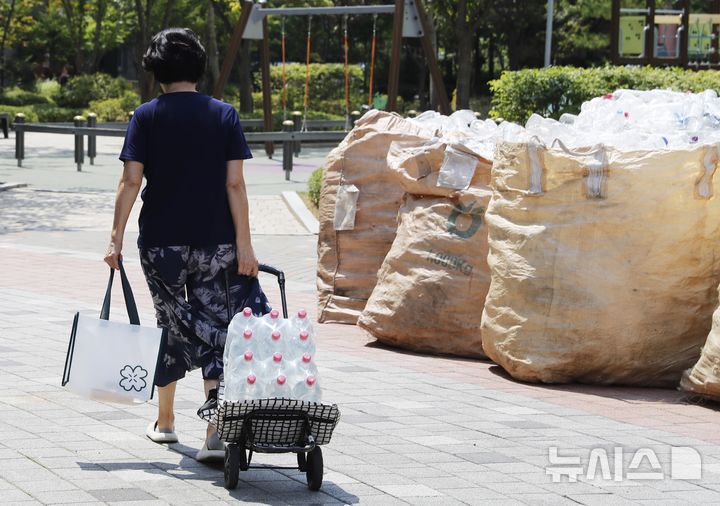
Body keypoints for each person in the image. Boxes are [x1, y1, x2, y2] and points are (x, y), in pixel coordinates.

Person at [104, 27, 269, 462]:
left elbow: (131, 181)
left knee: (170, 323)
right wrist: (245, 246)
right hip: (218, 242)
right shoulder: (224, 115)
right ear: (200, 67)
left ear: (156, 72)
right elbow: (235, 184)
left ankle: (166, 422)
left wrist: (115, 236)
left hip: (161, 244)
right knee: (219, 325)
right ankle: (215, 434)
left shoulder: (146, 116)